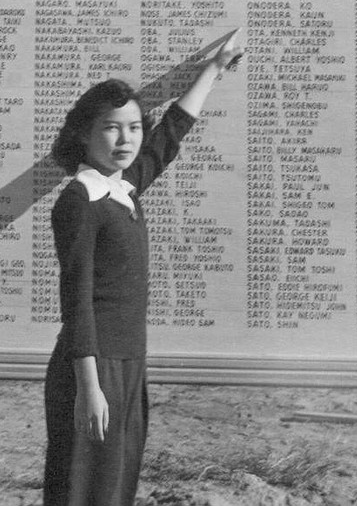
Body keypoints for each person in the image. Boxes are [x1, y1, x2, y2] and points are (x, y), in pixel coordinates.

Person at [42, 31, 244, 506]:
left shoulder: (123, 188)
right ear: (84, 134)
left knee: (115, 489)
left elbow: (169, 135)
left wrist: (212, 71)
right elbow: (77, 303)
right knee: (84, 489)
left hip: (129, 362)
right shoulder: (79, 200)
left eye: (134, 127)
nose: (126, 139)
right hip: (91, 369)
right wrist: (89, 390)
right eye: (112, 128)